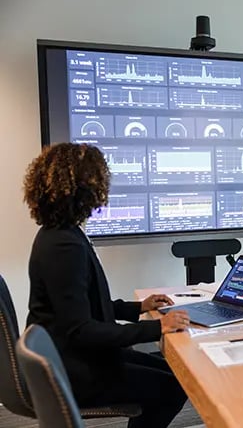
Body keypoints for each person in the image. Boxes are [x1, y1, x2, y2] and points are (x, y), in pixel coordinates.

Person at [23, 143, 190, 428]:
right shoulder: (64, 246)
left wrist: (138, 308)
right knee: (172, 388)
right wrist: (155, 327)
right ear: (85, 189)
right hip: (75, 369)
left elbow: (81, 306)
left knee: (176, 373)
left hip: (74, 356)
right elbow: (81, 330)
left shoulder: (60, 234)